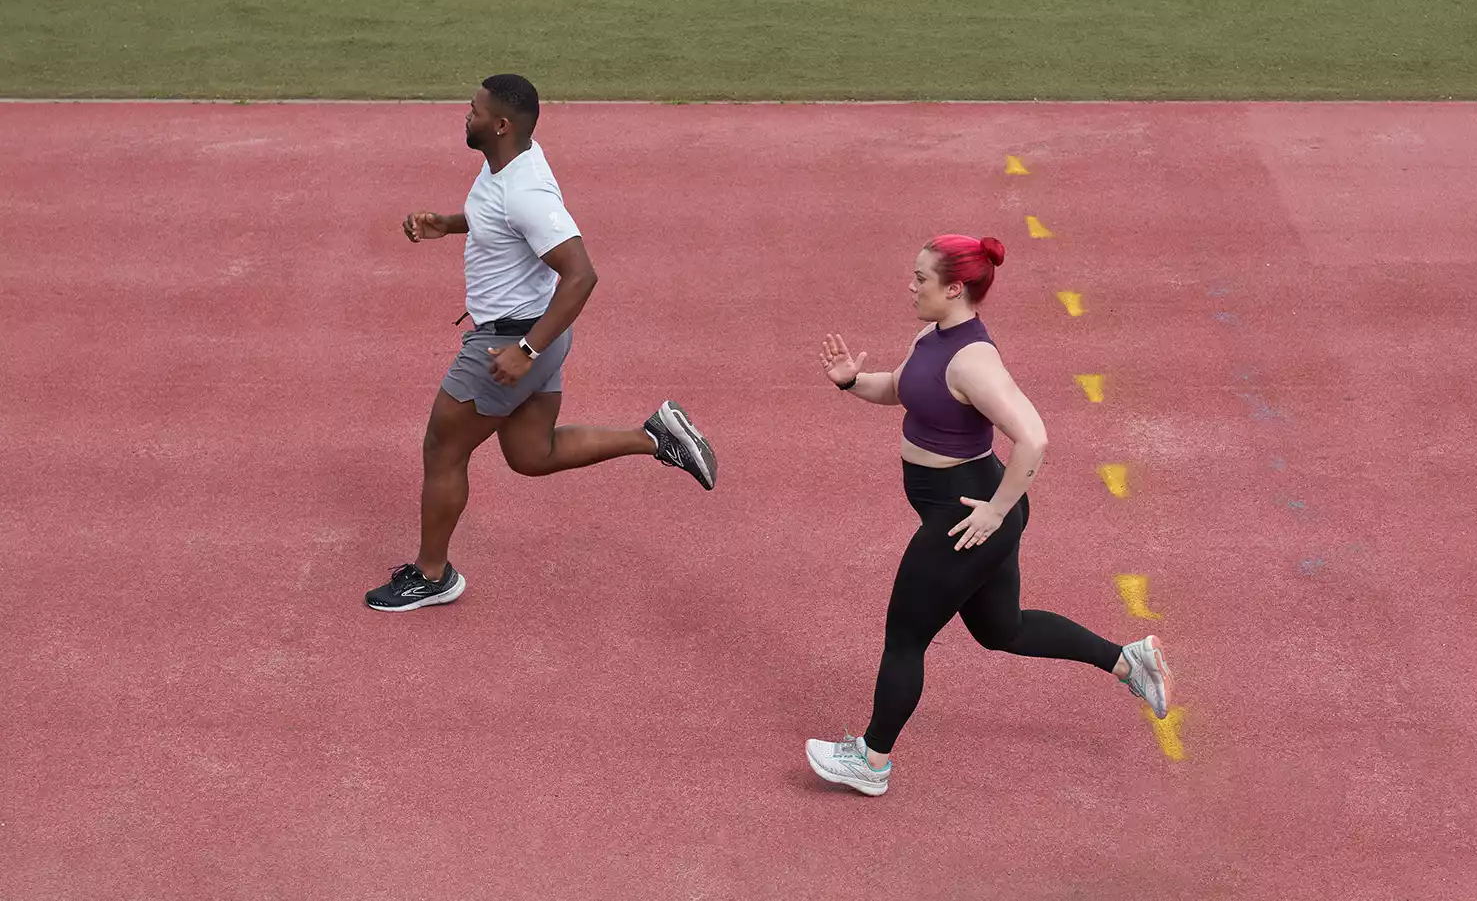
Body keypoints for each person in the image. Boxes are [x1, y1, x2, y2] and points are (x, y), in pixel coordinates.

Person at [804, 234, 1173, 795]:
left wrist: (998, 512)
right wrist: (854, 382)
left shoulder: (974, 360)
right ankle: (1128, 662)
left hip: (965, 514)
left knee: (905, 637)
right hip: (969, 508)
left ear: (955, 288)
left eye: (921, 279)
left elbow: (1033, 437)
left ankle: (872, 762)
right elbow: (902, 391)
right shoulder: (933, 335)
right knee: (1004, 629)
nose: (911, 286)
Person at [365, 74, 717, 612]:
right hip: (537, 336)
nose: (466, 114)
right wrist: (451, 224)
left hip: (511, 342)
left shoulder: (525, 190)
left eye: (475, 110)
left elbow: (581, 274)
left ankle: (432, 575)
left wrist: (524, 352)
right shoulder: (511, 161)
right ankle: (655, 437)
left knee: (442, 448)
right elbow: (503, 219)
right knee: (532, 454)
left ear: (501, 125)